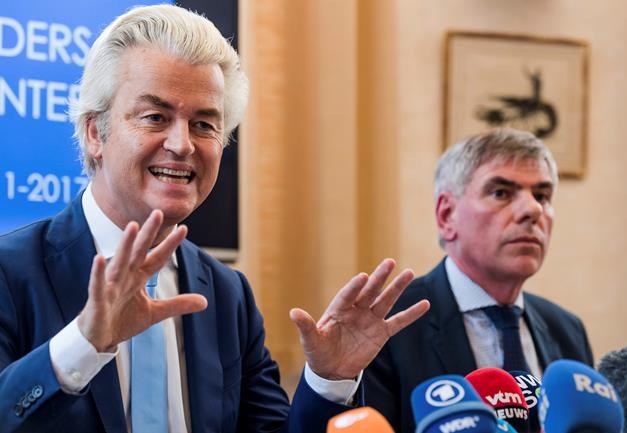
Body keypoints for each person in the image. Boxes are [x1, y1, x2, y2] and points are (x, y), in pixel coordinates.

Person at [0, 5, 429, 433]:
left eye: (204, 124)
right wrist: (84, 343)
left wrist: (327, 381)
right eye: (155, 117)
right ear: (96, 132)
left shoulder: (227, 293)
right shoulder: (10, 272)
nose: (182, 144)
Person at [364, 128, 593, 433]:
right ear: (447, 216)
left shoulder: (567, 330)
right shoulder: (388, 324)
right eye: (501, 193)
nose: (533, 210)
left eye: (542, 196)